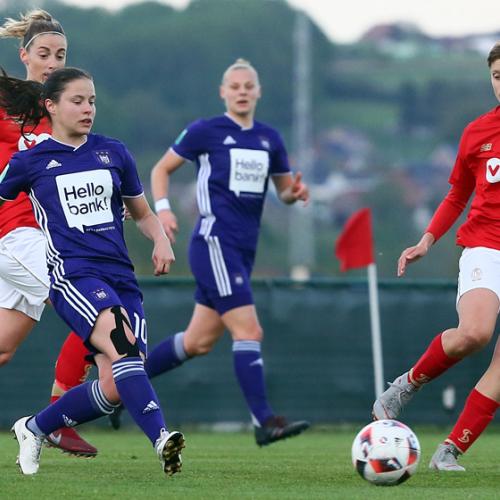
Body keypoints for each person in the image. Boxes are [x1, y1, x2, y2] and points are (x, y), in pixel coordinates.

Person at [0, 67, 185, 476]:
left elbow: (142, 212)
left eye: (92, 101)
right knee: (123, 345)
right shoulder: (30, 162)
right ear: (51, 106)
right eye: (77, 101)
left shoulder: (113, 152)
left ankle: (34, 427)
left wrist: (160, 239)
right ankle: (161, 438)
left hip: (121, 276)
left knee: (118, 383)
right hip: (73, 275)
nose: (88, 109)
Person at [143, 58, 310, 446]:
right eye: (234, 86)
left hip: (242, 250)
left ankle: (122, 387)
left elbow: (283, 191)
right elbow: (160, 170)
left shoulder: (270, 138)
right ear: (223, 92)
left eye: (248, 86)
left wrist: (294, 193)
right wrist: (164, 211)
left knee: (198, 341)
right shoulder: (206, 131)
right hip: (215, 242)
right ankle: (264, 421)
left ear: (258, 92)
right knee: (249, 329)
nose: (242, 92)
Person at [372, 42, 500, 472]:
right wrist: (427, 240)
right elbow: (457, 194)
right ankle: (404, 387)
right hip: (486, 245)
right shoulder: (478, 133)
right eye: (497, 76)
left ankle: (450, 450)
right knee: (475, 334)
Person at [0, 9, 97, 457]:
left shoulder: (63, 109)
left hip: (43, 238)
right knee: (94, 308)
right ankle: (58, 417)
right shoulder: (6, 102)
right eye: (44, 53)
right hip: (15, 234)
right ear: (24, 55)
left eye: (61, 54)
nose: (53, 61)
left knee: (2, 348)